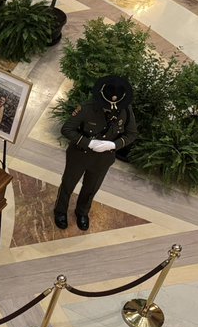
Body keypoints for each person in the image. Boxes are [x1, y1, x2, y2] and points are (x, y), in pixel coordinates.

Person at [54, 75, 138, 231]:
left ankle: (82, 212)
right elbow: (67, 129)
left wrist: (113, 144)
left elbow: (131, 134)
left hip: (103, 158)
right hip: (79, 155)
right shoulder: (86, 108)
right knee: (68, 184)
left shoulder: (126, 110)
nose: (111, 109)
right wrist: (89, 143)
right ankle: (60, 211)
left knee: (91, 188)